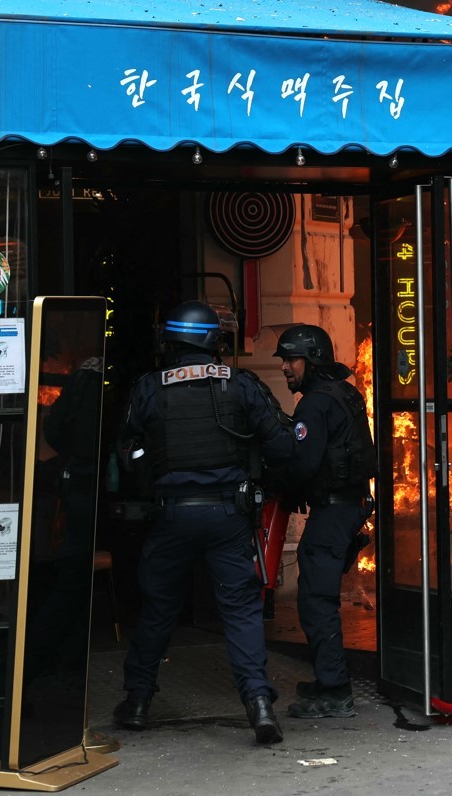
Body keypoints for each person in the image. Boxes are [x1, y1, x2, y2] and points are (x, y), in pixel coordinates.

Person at [114, 301, 295, 745]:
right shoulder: (242, 384)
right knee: (240, 611)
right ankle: (259, 706)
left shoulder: (148, 388)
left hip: (172, 514)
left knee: (158, 608)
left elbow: (125, 454)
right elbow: (283, 444)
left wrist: (150, 477)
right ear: (214, 340)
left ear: (170, 341)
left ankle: (137, 702)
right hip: (228, 515)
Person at [274, 324, 377, 719]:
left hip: (333, 510)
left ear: (312, 360)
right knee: (319, 593)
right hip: (347, 506)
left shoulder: (314, 404)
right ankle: (326, 677)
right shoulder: (345, 393)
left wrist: (278, 484)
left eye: (291, 358)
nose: (285, 367)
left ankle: (334, 690)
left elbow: (303, 463)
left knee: (316, 598)